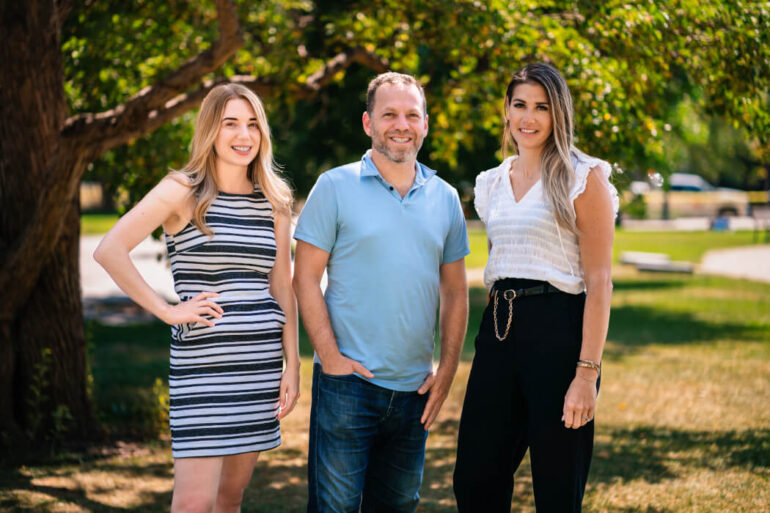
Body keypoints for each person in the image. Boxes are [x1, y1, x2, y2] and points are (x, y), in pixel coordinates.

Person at [94, 83, 299, 513]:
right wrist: (168, 310)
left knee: (229, 498)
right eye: (230, 124)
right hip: (202, 368)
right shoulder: (181, 190)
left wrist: (292, 364)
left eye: (252, 125)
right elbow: (109, 250)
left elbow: (282, 285)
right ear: (210, 129)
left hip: (259, 368)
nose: (244, 135)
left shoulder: (275, 201)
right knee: (193, 502)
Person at [292, 72, 470, 513]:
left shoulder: (445, 197)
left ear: (426, 124)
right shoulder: (334, 186)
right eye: (389, 114)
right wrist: (330, 358)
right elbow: (304, 278)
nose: (401, 124)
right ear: (368, 122)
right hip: (347, 386)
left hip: (415, 392)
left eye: (412, 114)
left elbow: (455, 292)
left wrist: (446, 370)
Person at [452, 62, 618, 512]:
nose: (529, 117)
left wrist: (587, 373)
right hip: (499, 330)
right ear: (506, 111)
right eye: (520, 105)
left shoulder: (584, 177)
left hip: (559, 332)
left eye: (542, 107)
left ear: (558, 113)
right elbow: (503, 260)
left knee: (557, 485)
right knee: (474, 478)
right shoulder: (490, 184)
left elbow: (600, 281)